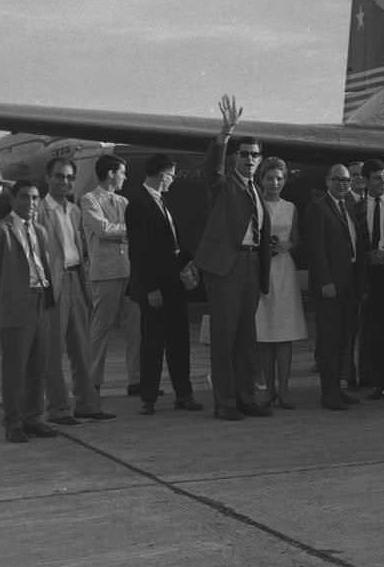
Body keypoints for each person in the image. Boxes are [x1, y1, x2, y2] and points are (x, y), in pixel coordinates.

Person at [193, 95, 273, 420]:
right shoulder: (225, 184)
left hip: (252, 264)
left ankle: (245, 397)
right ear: (236, 157)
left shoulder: (256, 189)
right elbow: (212, 170)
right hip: (228, 266)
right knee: (224, 337)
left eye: (255, 155)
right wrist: (224, 136)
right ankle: (224, 403)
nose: (250, 160)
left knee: (245, 338)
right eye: (244, 155)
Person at [0, 180, 60, 442]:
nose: (31, 203)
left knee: (38, 365)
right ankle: (13, 422)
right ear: (12, 200)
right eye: (25, 197)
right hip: (16, 305)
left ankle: (34, 417)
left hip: (40, 302)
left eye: (35, 198)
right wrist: (3, 305)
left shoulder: (40, 230)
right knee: (15, 368)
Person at [126, 154, 202, 415]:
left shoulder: (163, 203)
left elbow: (174, 245)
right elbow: (139, 252)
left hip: (175, 285)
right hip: (157, 286)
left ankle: (184, 393)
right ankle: (148, 397)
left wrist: (189, 264)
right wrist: (150, 288)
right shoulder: (138, 205)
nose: (172, 181)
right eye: (171, 175)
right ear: (161, 174)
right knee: (153, 343)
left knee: (179, 342)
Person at [37, 156, 111, 423]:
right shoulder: (39, 211)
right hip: (52, 285)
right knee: (53, 351)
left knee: (82, 348)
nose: (64, 182)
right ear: (48, 178)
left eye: (69, 177)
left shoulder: (76, 211)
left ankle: (87, 405)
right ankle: (57, 408)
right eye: (59, 176)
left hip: (76, 281)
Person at [304, 165, 364, 411]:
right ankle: (328, 392)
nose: (342, 184)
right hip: (330, 285)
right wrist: (325, 281)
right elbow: (316, 249)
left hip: (350, 282)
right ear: (328, 181)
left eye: (346, 180)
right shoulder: (317, 207)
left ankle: (338, 387)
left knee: (344, 339)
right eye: (337, 179)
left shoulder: (350, 206)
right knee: (329, 340)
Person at [80, 153, 141, 396]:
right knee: (100, 328)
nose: (125, 177)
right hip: (105, 273)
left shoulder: (124, 202)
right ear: (111, 173)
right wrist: (131, 230)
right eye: (122, 172)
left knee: (136, 328)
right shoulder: (89, 200)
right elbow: (102, 229)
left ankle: (136, 380)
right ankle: (92, 381)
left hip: (129, 270)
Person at [251, 157, 306, 408]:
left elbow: (297, 239)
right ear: (261, 179)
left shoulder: (291, 207)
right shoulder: (254, 204)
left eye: (279, 178)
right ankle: (267, 388)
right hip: (260, 271)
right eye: (270, 178)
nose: (275, 183)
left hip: (283, 271)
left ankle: (284, 388)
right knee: (264, 332)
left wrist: (288, 245)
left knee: (284, 332)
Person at [355, 159, 384, 397]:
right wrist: (366, 256)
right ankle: (380, 383)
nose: (382, 182)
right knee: (377, 331)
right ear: (365, 181)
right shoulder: (358, 209)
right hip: (373, 274)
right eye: (377, 178)